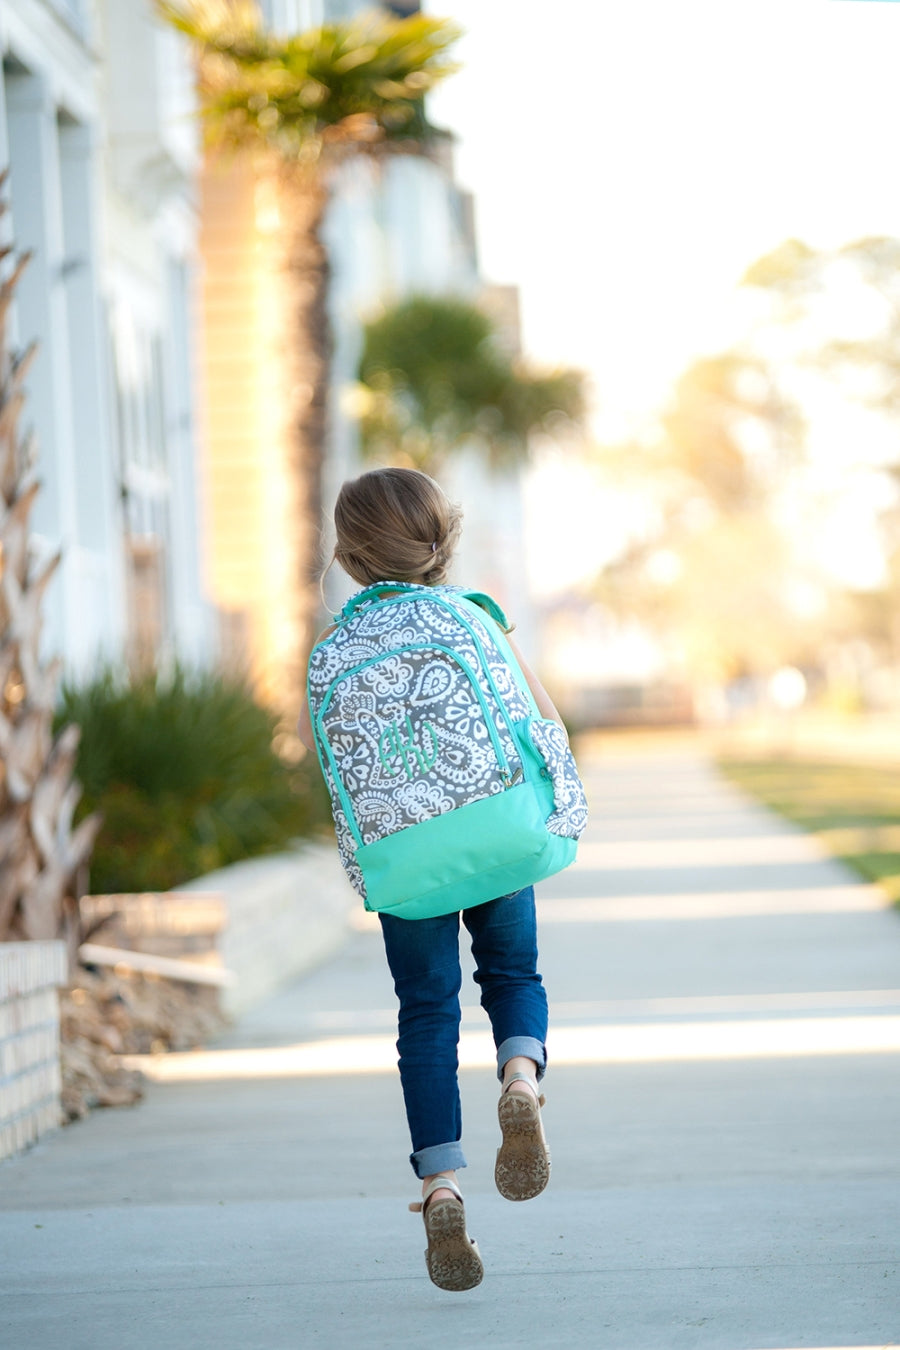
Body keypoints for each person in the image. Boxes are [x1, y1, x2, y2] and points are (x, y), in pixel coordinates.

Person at [298, 467, 565, 1293]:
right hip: (492, 837)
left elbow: (342, 777)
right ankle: (520, 1077)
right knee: (512, 973)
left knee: (426, 1011)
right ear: (440, 541)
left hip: (408, 860)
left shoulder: (332, 652)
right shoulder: (472, 616)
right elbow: (539, 720)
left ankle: (441, 1183)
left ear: (347, 555)